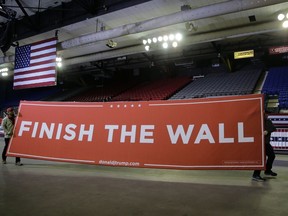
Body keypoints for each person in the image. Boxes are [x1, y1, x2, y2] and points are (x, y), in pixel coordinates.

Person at [252, 112, 277, 181]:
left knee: (272, 155)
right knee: (261, 158)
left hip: (266, 143)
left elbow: (274, 128)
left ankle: (268, 170)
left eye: (267, 114)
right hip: (259, 143)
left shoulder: (268, 121)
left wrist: (267, 131)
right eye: (265, 114)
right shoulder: (257, 121)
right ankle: (256, 174)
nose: (267, 115)